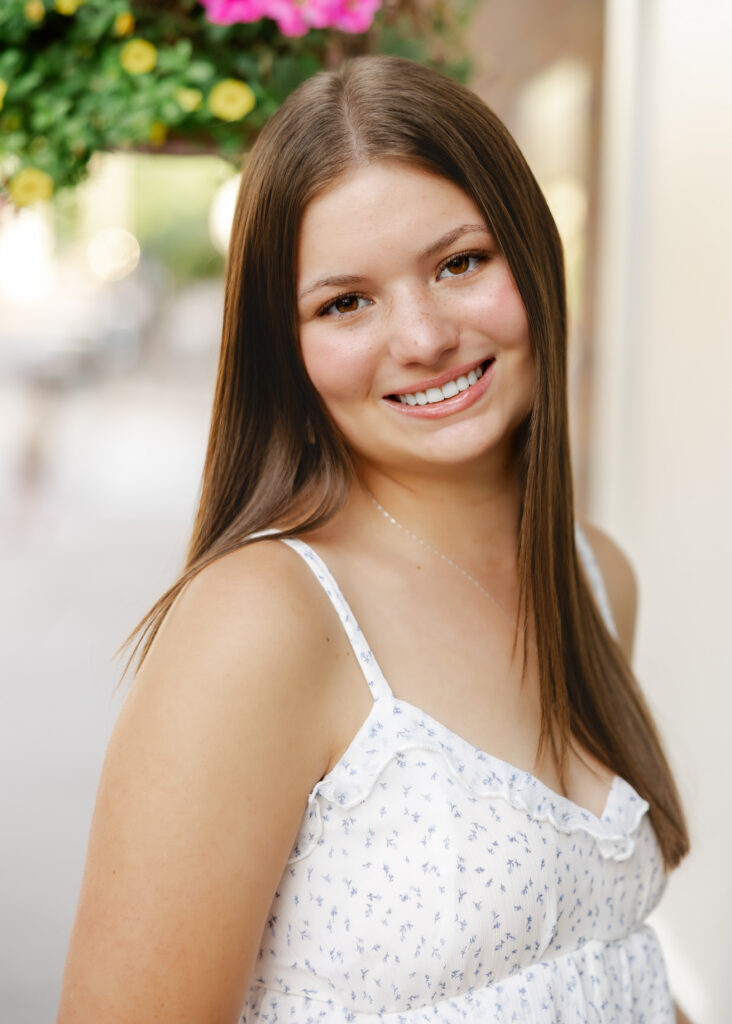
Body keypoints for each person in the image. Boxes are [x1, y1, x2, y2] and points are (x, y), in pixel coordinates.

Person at [57, 56, 692, 1023]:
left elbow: (601, 965)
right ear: (289, 351)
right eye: (345, 302)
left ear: (533, 255)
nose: (425, 335)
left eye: (461, 262)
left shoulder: (596, 576)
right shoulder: (263, 623)